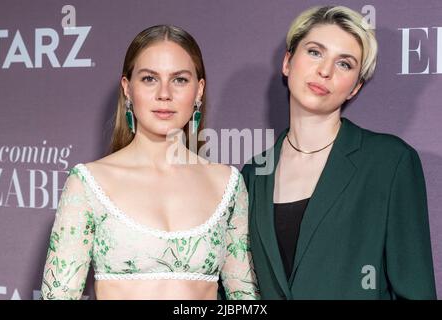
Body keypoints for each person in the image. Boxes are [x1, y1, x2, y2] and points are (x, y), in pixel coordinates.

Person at [40, 25, 259, 300]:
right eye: (149, 79)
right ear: (127, 89)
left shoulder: (228, 184)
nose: (164, 94)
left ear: (199, 90)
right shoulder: (88, 183)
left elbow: (245, 297)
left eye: (179, 80)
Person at [242, 6, 436, 299]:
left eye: (344, 64)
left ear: (355, 88)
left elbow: (415, 290)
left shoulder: (389, 161)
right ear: (287, 62)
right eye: (315, 52)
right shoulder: (254, 173)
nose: (325, 71)